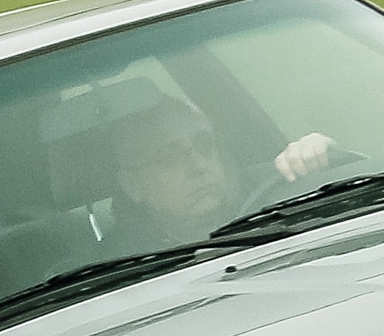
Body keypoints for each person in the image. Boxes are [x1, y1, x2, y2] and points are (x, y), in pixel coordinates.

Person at [100, 91, 337, 249]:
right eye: (169, 157)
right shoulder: (113, 267)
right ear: (133, 186)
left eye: (204, 145)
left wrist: (324, 155)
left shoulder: (274, 189)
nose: (198, 166)